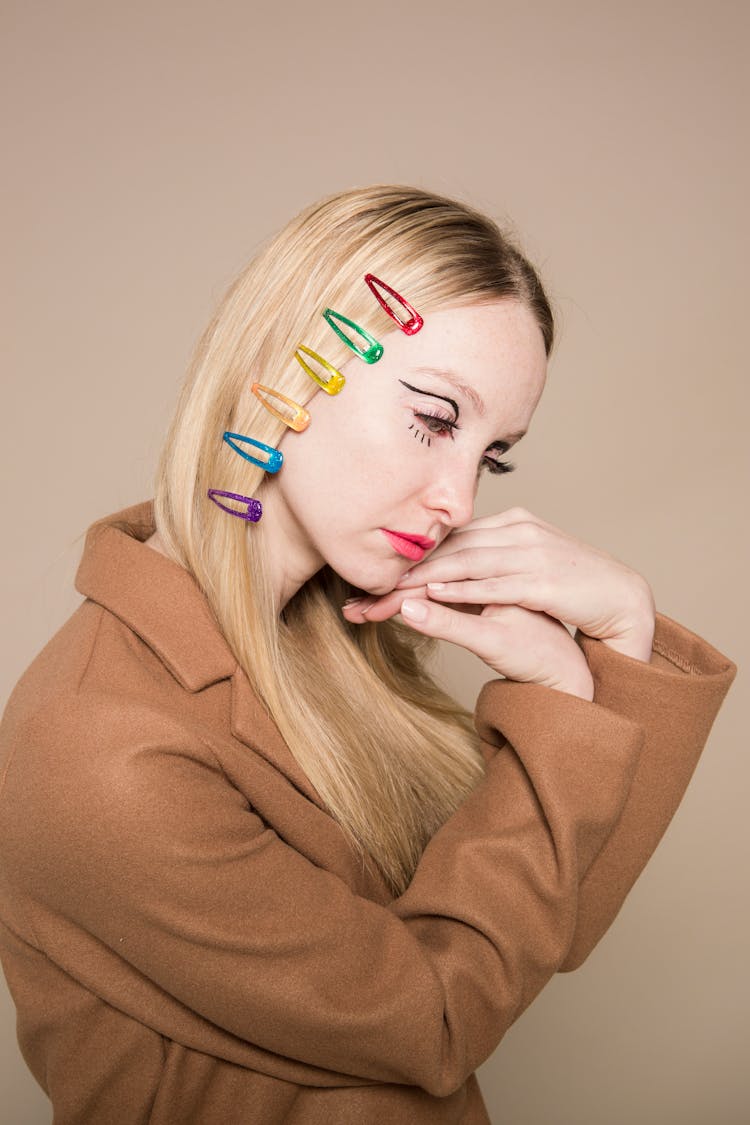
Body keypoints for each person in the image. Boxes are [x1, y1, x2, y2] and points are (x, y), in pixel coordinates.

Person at [0, 185, 736, 1125]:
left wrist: (621, 639)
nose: (459, 502)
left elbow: (544, 917)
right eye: (434, 417)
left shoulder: (335, 639)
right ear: (286, 372)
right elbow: (437, 1018)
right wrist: (561, 691)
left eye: (493, 454)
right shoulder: (104, 748)